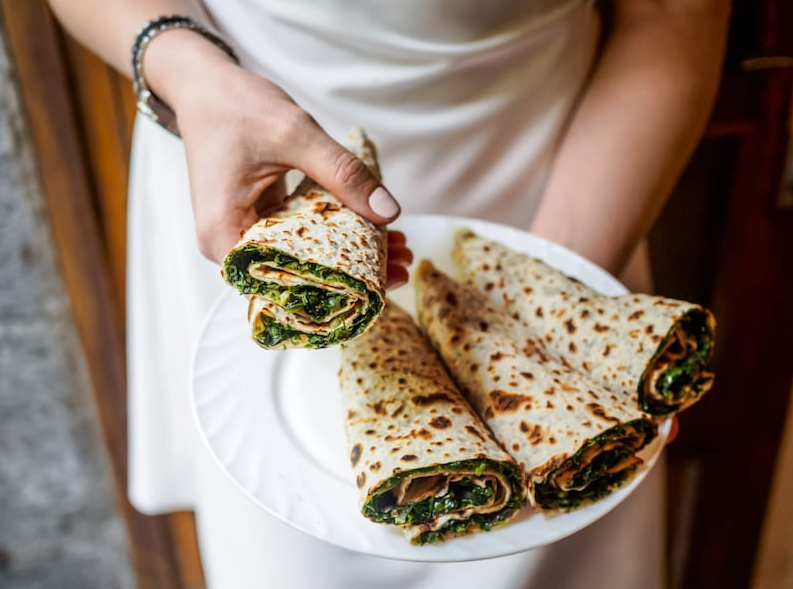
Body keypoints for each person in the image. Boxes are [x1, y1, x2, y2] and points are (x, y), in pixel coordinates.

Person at [47, 0, 730, 587]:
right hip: (246, 180)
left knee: (543, 546)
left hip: (558, 191)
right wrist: (184, 69)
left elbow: (674, 12)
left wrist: (527, 324)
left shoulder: (548, 256)